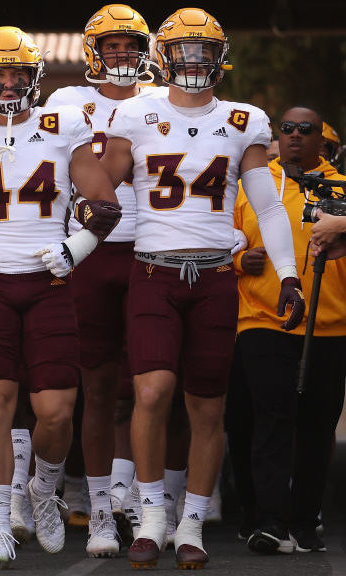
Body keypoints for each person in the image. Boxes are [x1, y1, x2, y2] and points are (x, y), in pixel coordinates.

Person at [99, 8, 306, 569]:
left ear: (219, 57)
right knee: (150, 392)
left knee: (206, 407)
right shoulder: (136, 112)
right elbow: (102, 184)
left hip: (216, 275)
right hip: (152, 271)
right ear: (164, 56)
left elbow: (266, 204)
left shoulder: (244, 120)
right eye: (184, 50)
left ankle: (190, 521)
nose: (193, 60)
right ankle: (151, 515)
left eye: (202, 50)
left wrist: (290, 273)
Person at [0, 26, 122, 569]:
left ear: (35, 79)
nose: (9, 83)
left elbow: (104, 202)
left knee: (56, 413)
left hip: (50, 280)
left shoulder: (63, 124)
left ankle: (42, 486)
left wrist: (79, 245)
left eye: (19, 74)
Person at [43, 3, 164, 557]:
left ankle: (135, 495)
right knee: (94, 388)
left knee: (146, 387)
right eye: (110, 44)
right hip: (90, 252)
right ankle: (96, 507)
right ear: (92, 50)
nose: (121, 53)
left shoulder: (165, 101)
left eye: (130, 44)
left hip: (149, 251)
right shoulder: (67, 102)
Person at [229, 106, 346, 554]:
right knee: (271, 419)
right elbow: (223, 238)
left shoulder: (341, 187)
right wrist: (240, 261)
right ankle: (269, 521)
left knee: (318, 427)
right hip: (263, 318)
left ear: (322, 138)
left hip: (330, 324)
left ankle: (304, 521)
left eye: (307, 130)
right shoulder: (249, 185)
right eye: (288, 129)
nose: (295, 136)